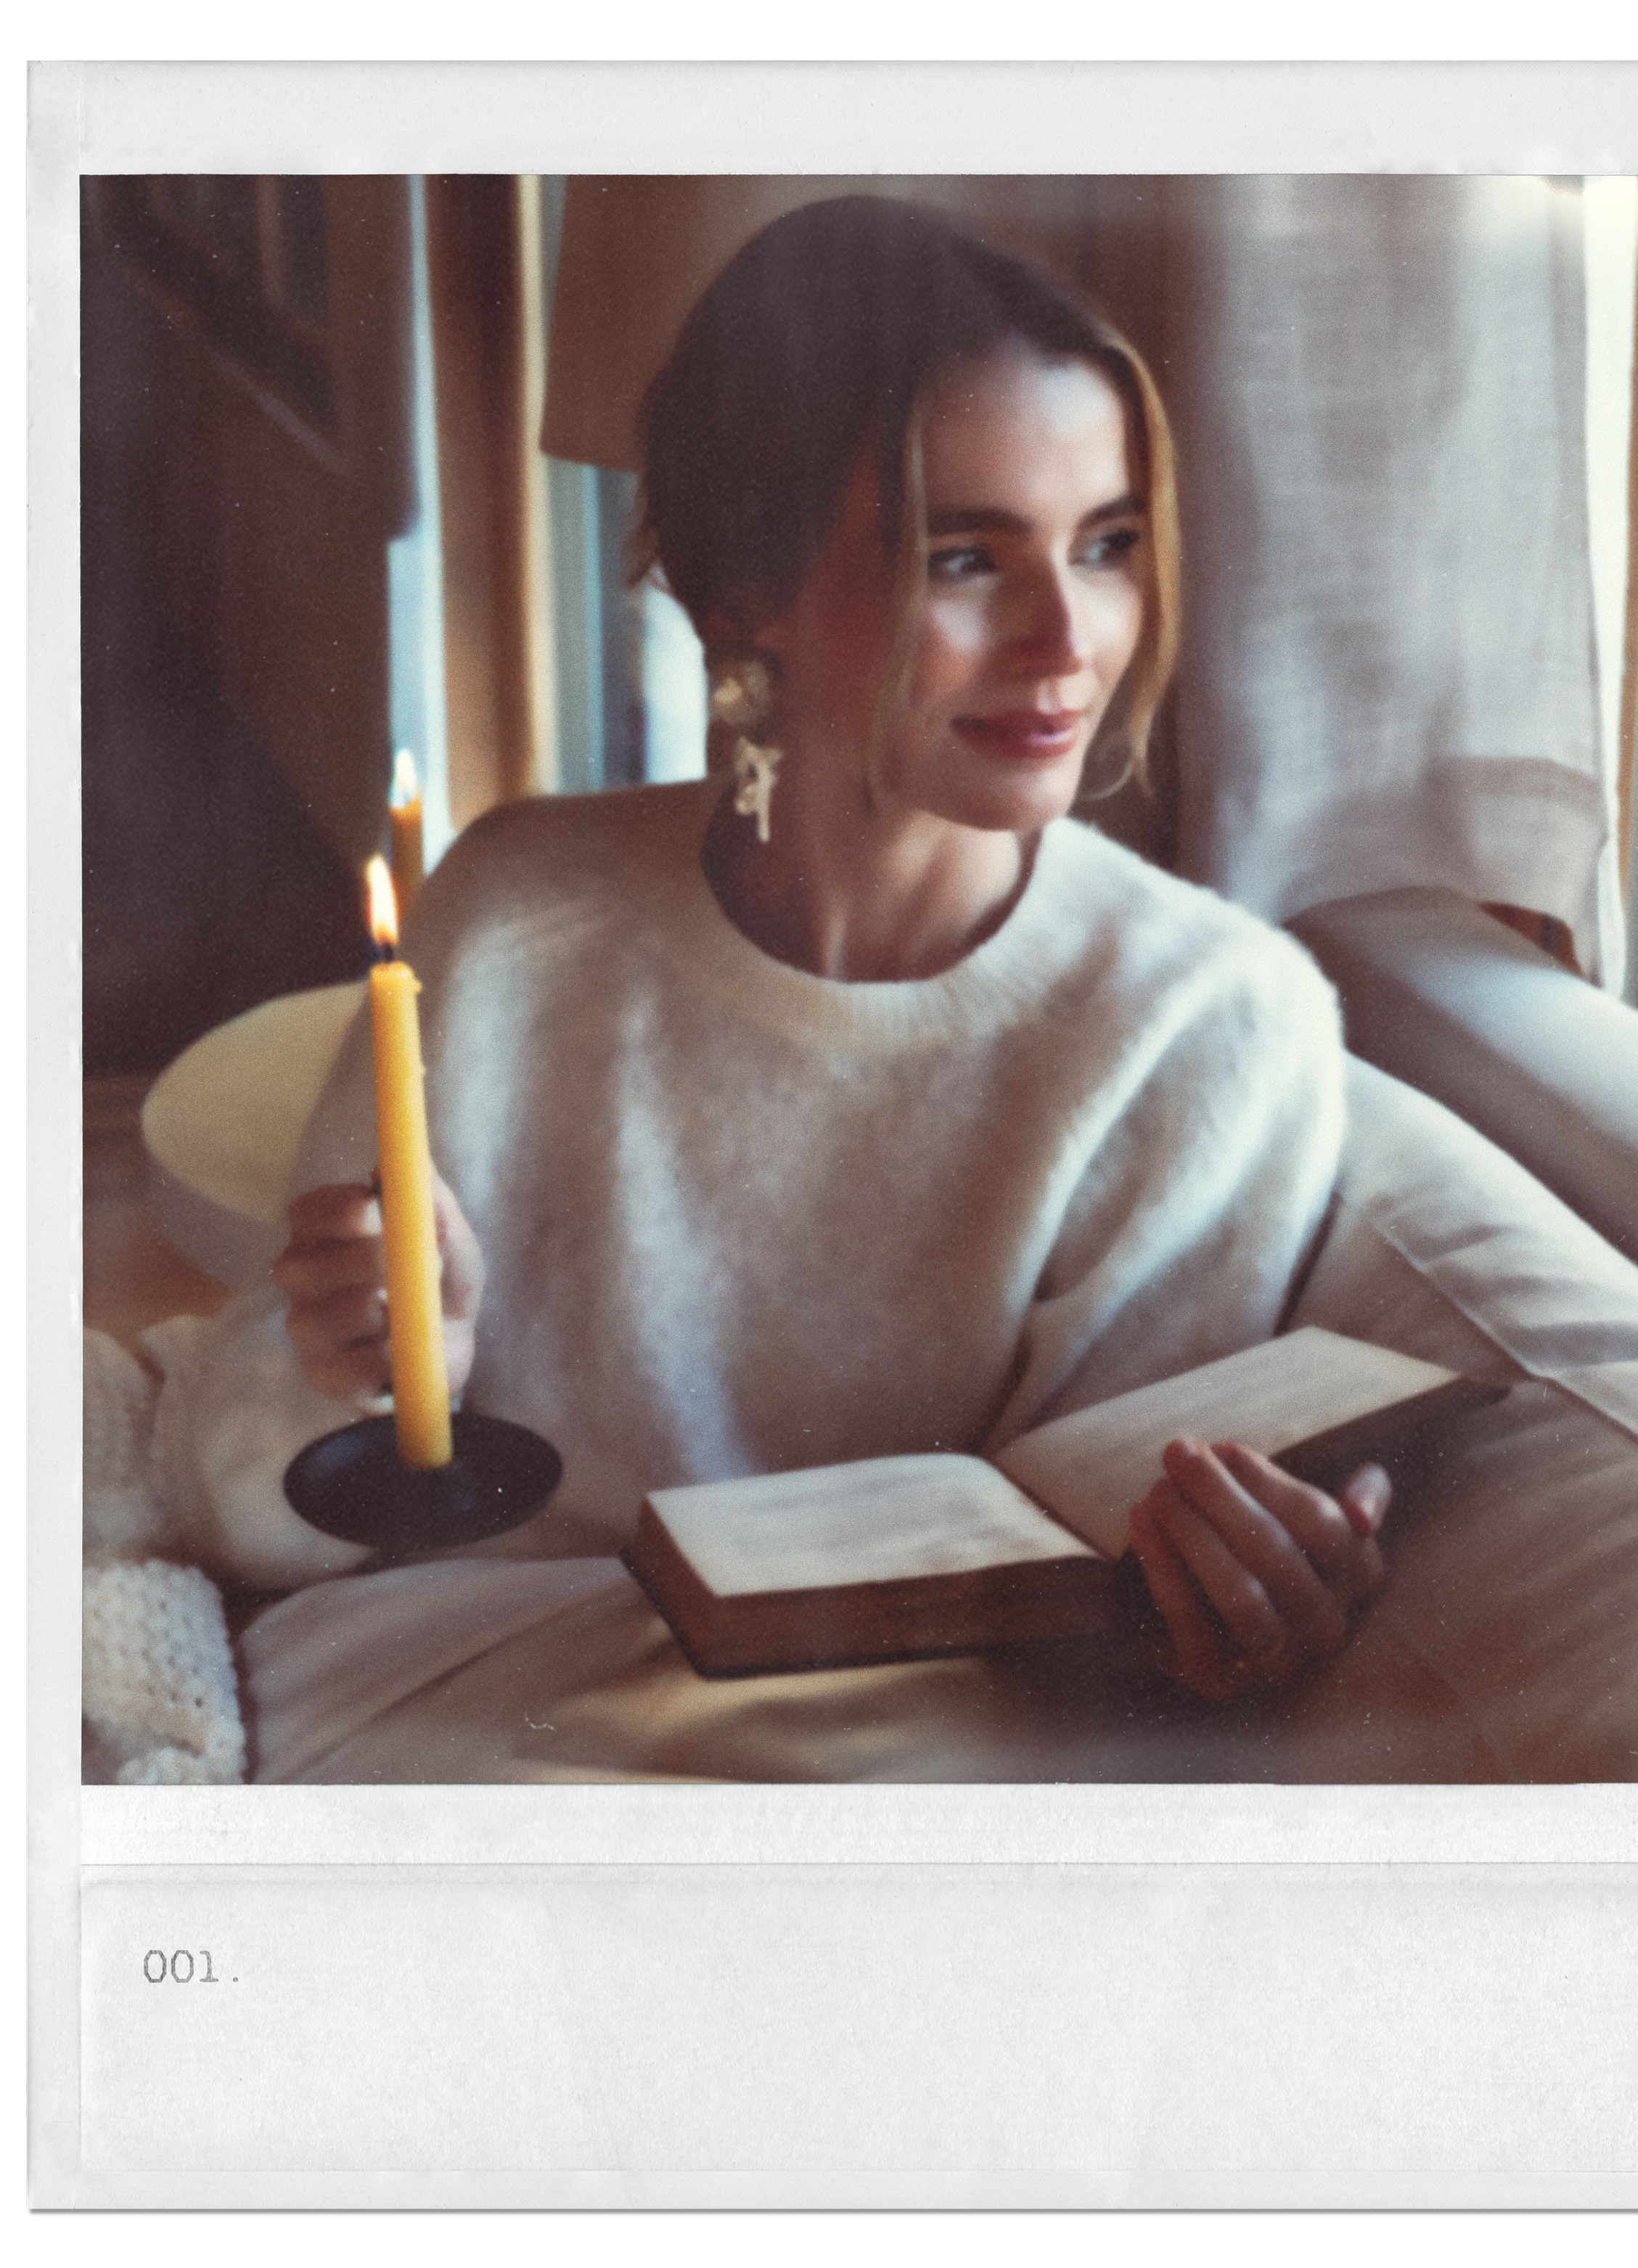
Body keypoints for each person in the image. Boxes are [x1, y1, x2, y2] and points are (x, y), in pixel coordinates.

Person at [224, 197, 1389, 1709]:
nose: (1067, 640)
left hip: (872, 1774)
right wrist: (379, 1376)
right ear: (738, 595)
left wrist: (1228, 1595)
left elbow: (1094, 1625)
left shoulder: (1211, 1028)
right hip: (451, 1709)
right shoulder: (515, 920)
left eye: (1103, 544)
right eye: (965, 557)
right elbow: (240, 1505)